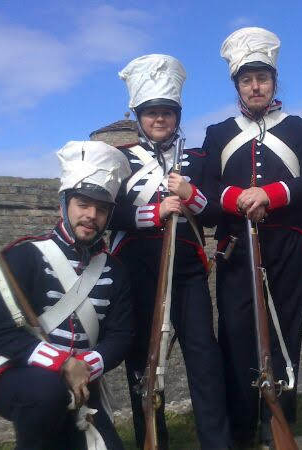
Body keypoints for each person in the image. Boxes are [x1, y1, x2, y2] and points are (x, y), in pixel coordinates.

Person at [202, 27, 302, 446]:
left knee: (285, 333)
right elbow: (206, 185)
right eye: (246, 79)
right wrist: (239, 198)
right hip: (236, 247)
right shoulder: (218, 133)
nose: (255, 86)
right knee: (236, 334)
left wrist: (272, 195)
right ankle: (241, 424)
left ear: (274, 82)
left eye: (262, 78)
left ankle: (280, 422)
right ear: (237, 85)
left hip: (287, 245)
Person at [0, 141, 133, 449]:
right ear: (65, 204)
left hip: (81, 379)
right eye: (83, 205)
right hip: (20, 373)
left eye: (101, 210)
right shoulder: (25, 255)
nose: (91, 215)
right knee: (46, 393)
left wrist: (85, 365)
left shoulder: (115, 270)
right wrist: (62, 363)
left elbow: (121, 336)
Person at [113, 54, 230, 449]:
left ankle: (216, 442)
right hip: (137, 272)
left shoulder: (197, 160)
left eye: (166, 112)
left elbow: (214, 212)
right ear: (140, 116)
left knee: (205, 360)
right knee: (144, 364)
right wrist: (154, 211)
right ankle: (153, 439)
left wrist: (189, 195)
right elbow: (109, 215)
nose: (159, 119)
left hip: (187, 273)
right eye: (151, 113)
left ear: (177, 115)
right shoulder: (121, 160)